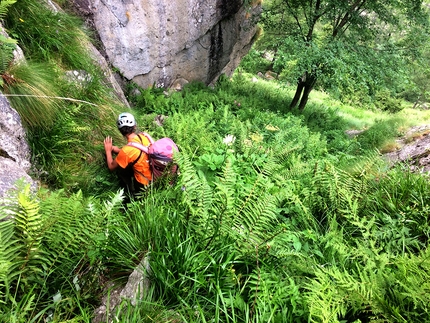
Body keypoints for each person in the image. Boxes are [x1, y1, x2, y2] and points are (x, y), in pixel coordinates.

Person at [104, 112, 152, 198]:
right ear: (135, 126)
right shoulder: (143, 137)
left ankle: (129, 193)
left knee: (121, 170)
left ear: (120, 131)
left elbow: (111, 167)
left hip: (143, 183)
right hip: (154, 173)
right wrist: (119, 150)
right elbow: (136, 151)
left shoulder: (126, 151)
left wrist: (108, 150)